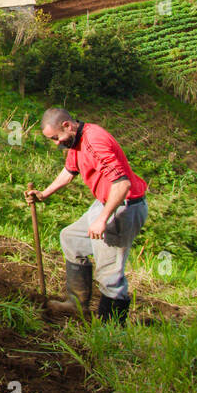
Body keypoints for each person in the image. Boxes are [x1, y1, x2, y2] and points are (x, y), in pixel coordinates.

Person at [25, 108, 148, 323]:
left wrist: (103, 219)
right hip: (104, 202)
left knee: (109, 274)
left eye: (56, 138)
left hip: (123, 206)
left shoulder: (95, 142)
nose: (56, 143)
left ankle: (111, 330)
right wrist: (44, 194)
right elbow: (69, 171)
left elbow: (123, 184)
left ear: (67, 125)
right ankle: (76, 305)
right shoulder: (76, 140)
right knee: (71, 239)